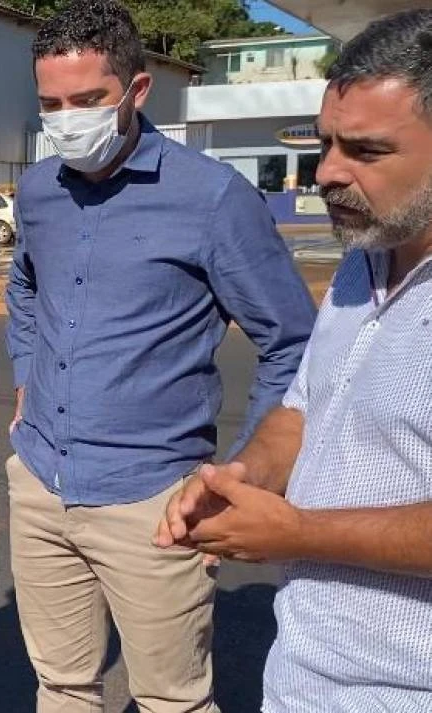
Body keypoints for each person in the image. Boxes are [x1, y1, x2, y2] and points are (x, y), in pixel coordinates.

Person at [5, 1, 318, 710]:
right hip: (40, 481)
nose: (67, 119)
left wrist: (243, 472)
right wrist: (25, 374)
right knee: (60, 684)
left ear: (137, 90)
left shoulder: (213, 198)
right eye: (50, 105)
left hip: (153, 500)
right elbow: (24, 288)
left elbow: (292, 342)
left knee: (172, 700)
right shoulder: (37, 191)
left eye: (88, 100)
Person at [158, 10, 432, 710]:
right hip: (303, 674)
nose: (327, 171)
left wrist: (299, 533)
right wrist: (243, 475)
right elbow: (305, 408)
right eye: (326, 141)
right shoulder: (363, 258)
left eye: (365, 151)